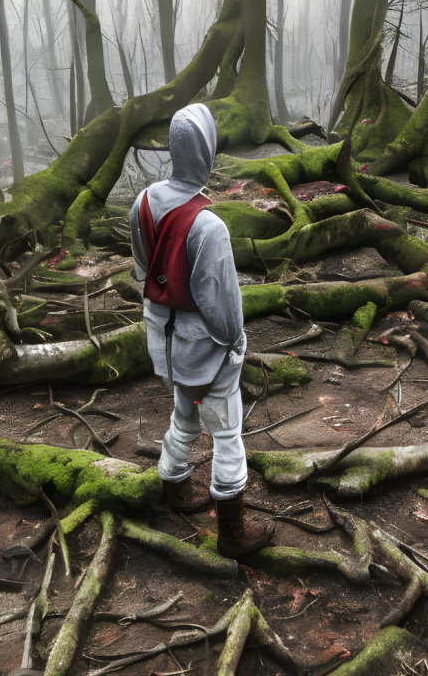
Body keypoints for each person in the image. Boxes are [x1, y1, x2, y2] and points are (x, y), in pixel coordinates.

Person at [130, 103, 273, 558]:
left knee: (184, 408)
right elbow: (224, 307)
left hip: (161, 336)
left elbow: (141, 269)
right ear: (208, 153)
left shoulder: (144, 201)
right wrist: (235, 344)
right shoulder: (208, 225)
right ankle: (232, 534)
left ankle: (173, 486)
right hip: (204, 343)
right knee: (226, 430)